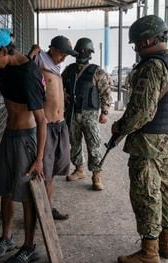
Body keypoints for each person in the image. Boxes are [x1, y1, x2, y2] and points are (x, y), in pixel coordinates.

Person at [110, 15, 168, 263]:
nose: (136, 49)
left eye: (136, 44)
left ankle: (149, 252)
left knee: (146, 193)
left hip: (149, 141)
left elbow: (142, 111)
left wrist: (120, 128)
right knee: (166, 188)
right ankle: (167, 243)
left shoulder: (151, 66)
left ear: (147, 40)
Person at [0, 28, 47, 263]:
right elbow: (0, 76)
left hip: (25, 140)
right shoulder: (4, 67)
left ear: (4, 51)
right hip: (9, 136)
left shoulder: (29, 75)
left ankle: (29, 247)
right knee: (6, 190)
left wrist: (38, 159)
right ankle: (6, 238)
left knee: (26, 196)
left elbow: (42, 120)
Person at [27, 36, 77, 220]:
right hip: (46, 126)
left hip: (60, 125)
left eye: (66, 55)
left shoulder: (56, 67)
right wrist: (32, 52)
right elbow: (25, 68)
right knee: (43, 172)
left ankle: (46, 209)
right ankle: (38, 212)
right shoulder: (39, 60)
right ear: (53, 49)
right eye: (62, 54)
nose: (64, 58)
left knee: (54, 171)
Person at [62, 38, 112, 191]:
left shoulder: (97, 71)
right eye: (80, 51)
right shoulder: (69, 70)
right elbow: (59, 85)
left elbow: (106, 92)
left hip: (89, 114)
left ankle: (96, 175)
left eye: (84, 51)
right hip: (71, 114)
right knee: (74, 143)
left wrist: (105, 112)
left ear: (90, 53)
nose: (82, 54)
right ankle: (79, 169)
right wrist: (62, 93)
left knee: (94, 143)